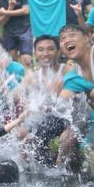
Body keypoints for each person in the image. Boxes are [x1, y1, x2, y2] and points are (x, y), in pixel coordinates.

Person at [17, 35, 77, 166]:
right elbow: (16, 96)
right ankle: (29, 172)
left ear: (58, 52)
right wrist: (26, 103)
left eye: (50, 49)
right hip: (49, 119)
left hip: (70, 118)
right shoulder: (33, 77)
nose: (45, 53)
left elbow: (74, 100)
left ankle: (60, 172)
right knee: (22, 135)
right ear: (35, 53)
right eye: (41, 49)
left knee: (66, 139)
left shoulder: (67, 71)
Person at [0, 0, 32, 68]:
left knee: (26, 61)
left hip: (25, 29)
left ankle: (26, 80)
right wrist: (10, 7)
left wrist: (6, 12)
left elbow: (26, 10)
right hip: (9, 33)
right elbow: (2, 22)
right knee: (10, 62)